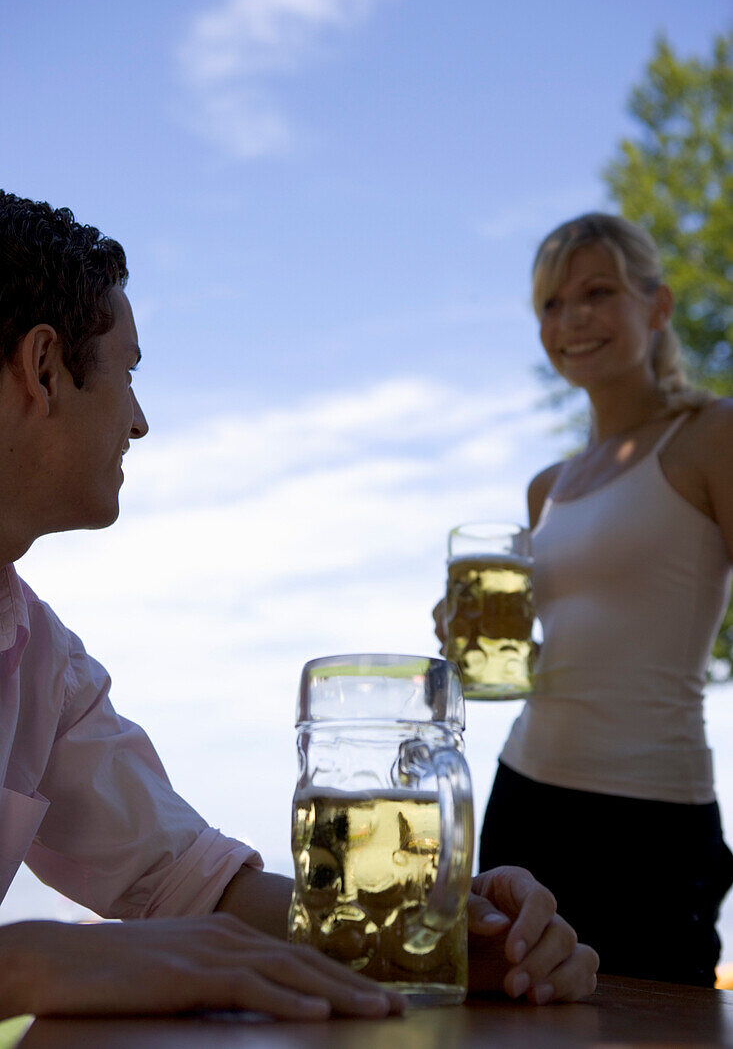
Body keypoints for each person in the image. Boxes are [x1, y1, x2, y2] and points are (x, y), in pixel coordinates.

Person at [0, 191, 598, 1021]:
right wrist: (35, 962)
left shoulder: (40, 663)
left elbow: (181, 878)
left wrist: (423, 935)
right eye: (129, 372)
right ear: (41, 368)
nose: (138, 421)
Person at [438, 212, 732, 987]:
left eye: (596, 293)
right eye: (550, 305)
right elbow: (547, 653)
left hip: (653, 817)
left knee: (659, 1026)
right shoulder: (546, 488)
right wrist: (464, 637)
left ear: (657, 306)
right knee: (500, 1022)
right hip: (524, 801)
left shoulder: (712, 435)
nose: (570, 320)